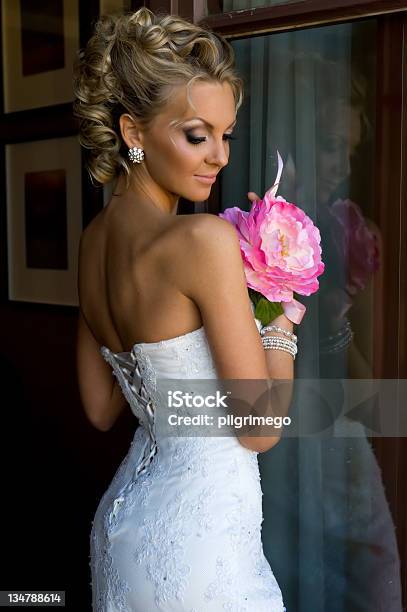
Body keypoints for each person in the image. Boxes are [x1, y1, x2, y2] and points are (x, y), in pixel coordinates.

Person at [74, 8, 297, 611]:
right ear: (134, 132)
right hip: (201, 545)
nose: (219, 155)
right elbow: (262, 427)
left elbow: (100, 409)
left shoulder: (93, 241)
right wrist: (277, 316)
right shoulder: (200, 243)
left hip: (124, 528)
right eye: (198, 135)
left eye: (226, 135)